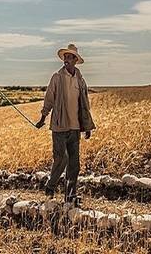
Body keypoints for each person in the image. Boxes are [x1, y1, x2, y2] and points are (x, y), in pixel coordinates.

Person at [35, 43, 95, 204]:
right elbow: (49, 99)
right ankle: (51, 186)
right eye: (65, 57)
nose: (66, 60)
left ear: (75, 60)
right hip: (59, 126)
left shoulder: (80, 80)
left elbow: (85, 103)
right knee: (61, 158)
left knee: (74, 164)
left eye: (69, 57)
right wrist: (42, 118)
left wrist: (87, 126)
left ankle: (70, 195)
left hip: (75, 127)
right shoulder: (57, 77)